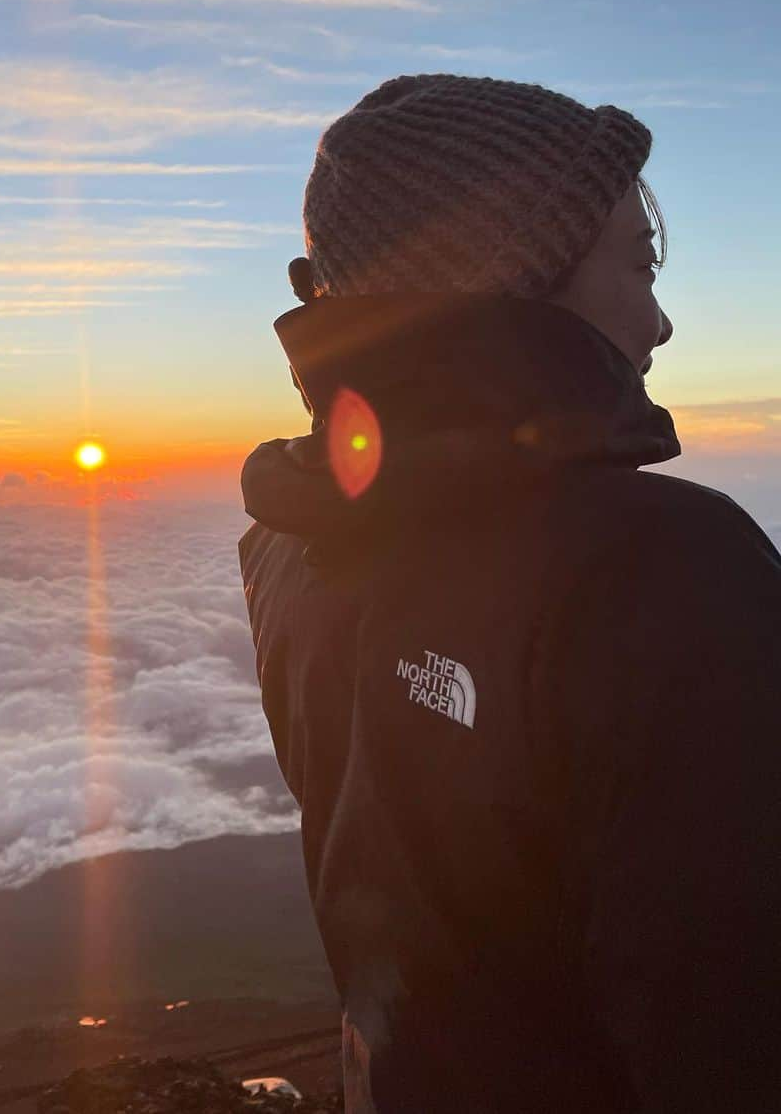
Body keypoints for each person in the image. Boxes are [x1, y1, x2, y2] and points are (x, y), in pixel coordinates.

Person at [236, 75, 781, 1113]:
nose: (659, 322)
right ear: (519, 279)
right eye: (638, 263)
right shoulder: (659, 566)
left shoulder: (285, 544)